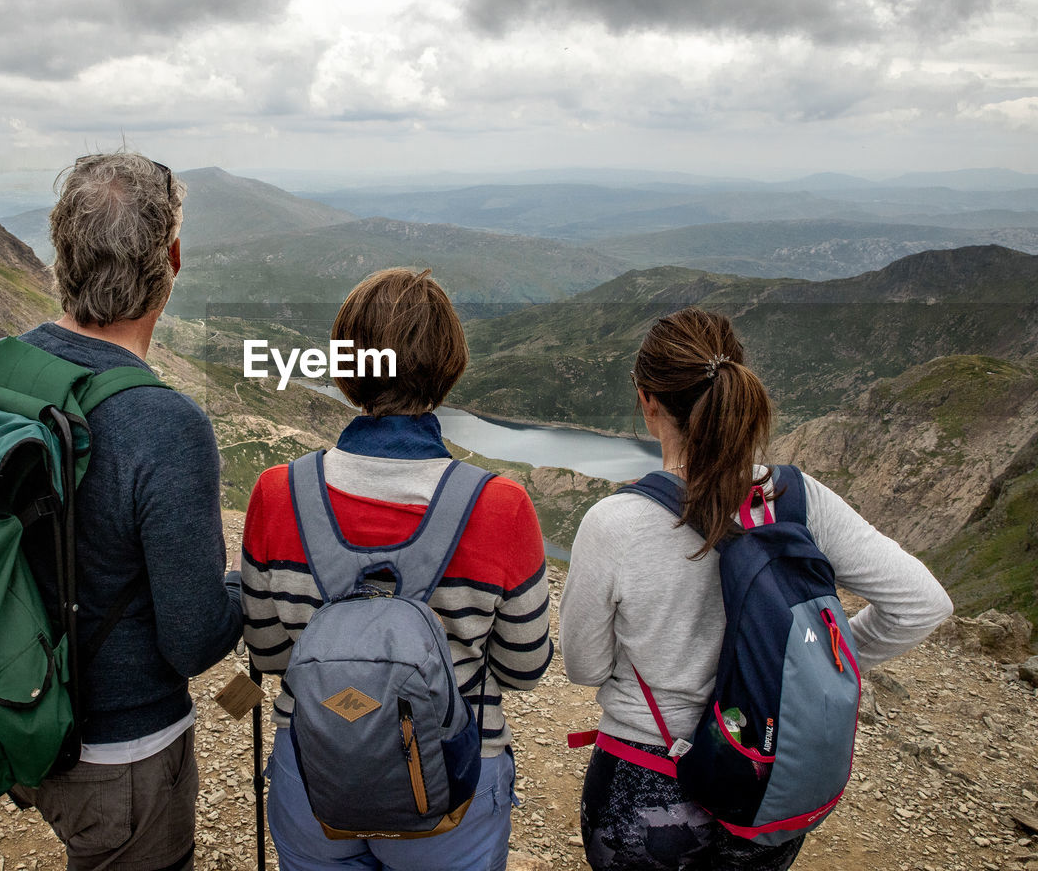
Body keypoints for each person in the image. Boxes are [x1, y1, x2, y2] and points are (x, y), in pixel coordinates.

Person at [559, 307, 953, 871]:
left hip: (649, 776)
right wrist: (811, 661)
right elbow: (922, 604)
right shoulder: (798, 498)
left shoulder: (613, 523)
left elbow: (586, 668)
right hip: (768, 774)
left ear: (647, 400)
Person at [241, 267, 554, 871]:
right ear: (448, 366)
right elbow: (523, 669)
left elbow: (272, 656)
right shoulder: (500, 506)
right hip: (452, 785)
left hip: (314, 768)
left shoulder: (277, 493)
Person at [5, 153, 242, 871]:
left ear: (62, 255)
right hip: (121, 753)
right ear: (170, 260)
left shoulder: (3, 369)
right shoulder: (164, 423)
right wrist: (247, 581)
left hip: (16, 714)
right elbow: (194, 641)